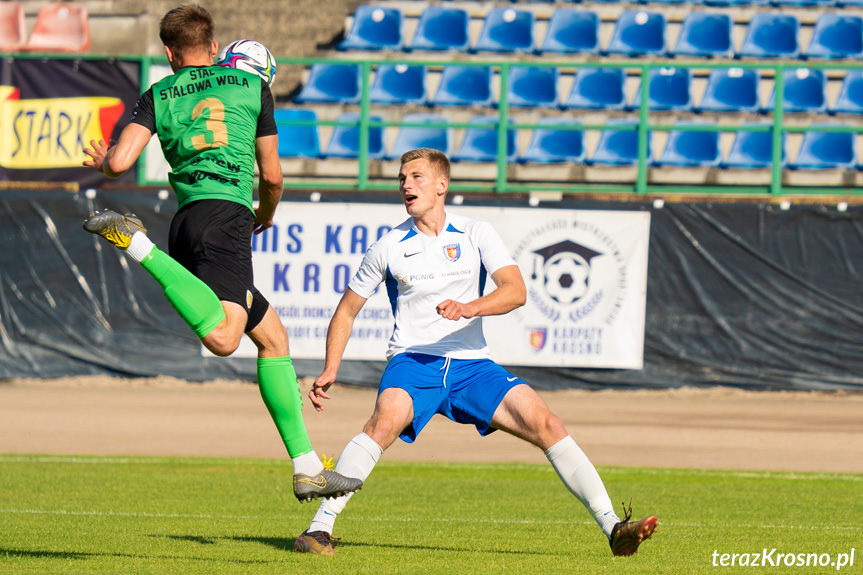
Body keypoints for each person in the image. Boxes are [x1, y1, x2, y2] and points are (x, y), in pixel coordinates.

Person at [293, 148, 657, 556]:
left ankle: (614, 529)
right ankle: (317, 530)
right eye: (401, 178)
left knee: (548, 424)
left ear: (441, 186)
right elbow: (346, 310)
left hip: (473, 366)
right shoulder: (388, 246)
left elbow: (516, 292)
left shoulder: (475, 233)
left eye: (415, 177)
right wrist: (330, 367)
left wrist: (471, 307)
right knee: (383, 422)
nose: (406, 185)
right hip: (414, 362)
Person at [80, 3, 361, 503]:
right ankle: (135, 242)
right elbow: (272, 177)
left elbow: (119, 163)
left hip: (186, 222)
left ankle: (306, 468)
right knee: (225, 339)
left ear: (169, 53)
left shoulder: (157, 92)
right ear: (213, 48)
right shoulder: (251, 86)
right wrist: (267, 212)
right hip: (227, 218)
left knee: (273, 337)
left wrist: (104, 159)